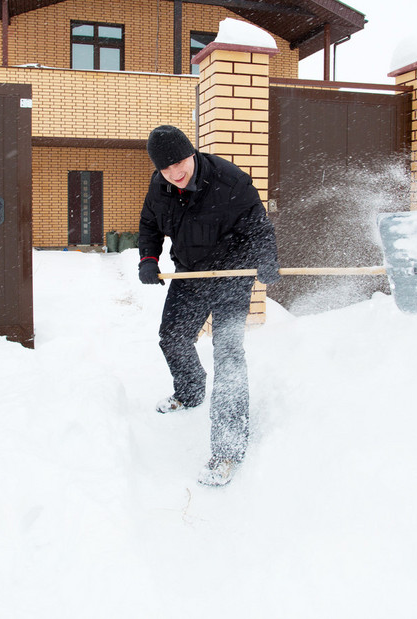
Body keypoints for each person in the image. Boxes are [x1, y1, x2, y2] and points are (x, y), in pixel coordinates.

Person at [137, 125, 280, 486]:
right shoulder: (160, 187)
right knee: (172, 337)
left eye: (180, 162)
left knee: (229, 353)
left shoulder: (231, 182)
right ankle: (190, 390)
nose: (175, 172)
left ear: (193, 152)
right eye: (166, 168)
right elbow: (149, 226)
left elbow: (260, 229)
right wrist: (148, 259)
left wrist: (266, 258)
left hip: (233, 275)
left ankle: (228, 451)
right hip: (191, 274)